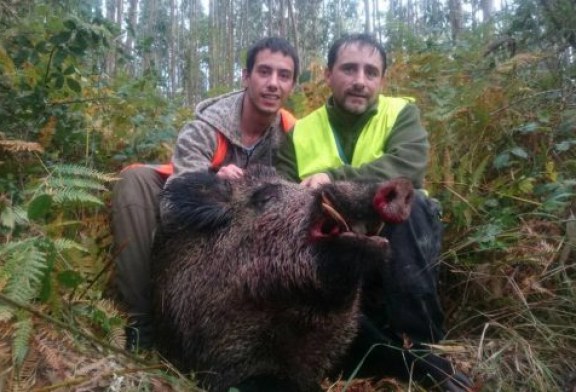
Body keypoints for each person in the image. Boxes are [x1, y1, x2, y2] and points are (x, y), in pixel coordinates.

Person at [275, 33, 472, 391]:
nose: (360, 81)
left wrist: (333, 180)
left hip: (395, 242)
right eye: (349, 69)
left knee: (412, 205)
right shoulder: (300, 132)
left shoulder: (401, 114)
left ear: (381, 79)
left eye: (371, 72)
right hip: (328, 252)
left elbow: (406, 169)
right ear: (328, 75)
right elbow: (281, 196)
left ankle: (421, 347)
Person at [111, 36, 299, 351]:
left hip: (258, 234)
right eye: (264, 72)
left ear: (292, 85)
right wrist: (213, 180)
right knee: (135, 182)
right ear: (246, 76)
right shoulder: (204, 129)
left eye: (283, 76)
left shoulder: (295, 135)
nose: (273, 83)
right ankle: (140, 320)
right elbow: (178, 203)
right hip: (203, 221)